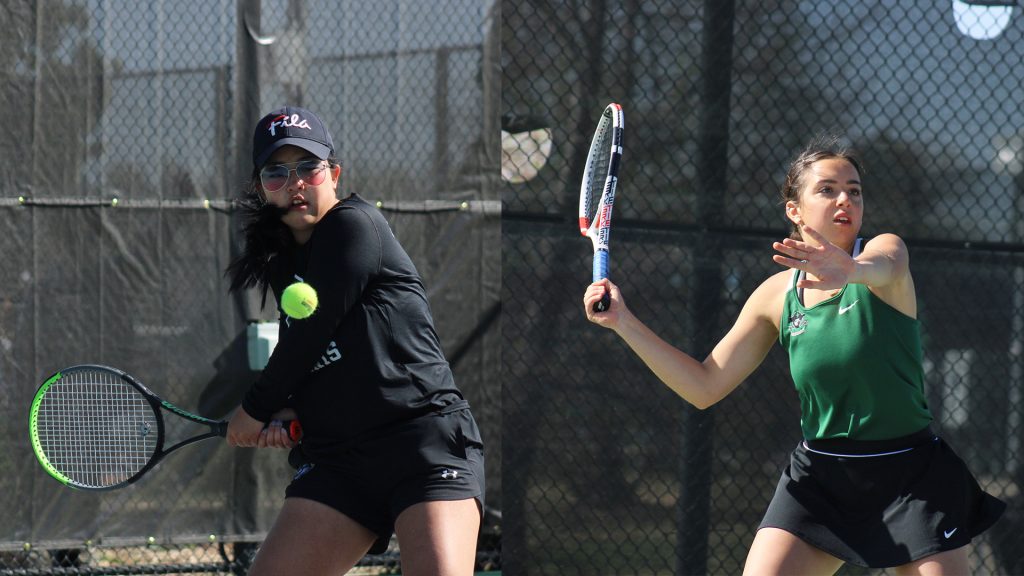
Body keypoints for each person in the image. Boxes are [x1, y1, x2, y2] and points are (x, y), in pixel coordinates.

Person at [583, 136, 1005, 575]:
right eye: (827, 189)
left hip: (913, 477)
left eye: (854, 190)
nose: (845, 199)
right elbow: (704, 385)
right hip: (820, 480)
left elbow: (886, 265)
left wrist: (851, 271)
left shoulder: (885, 254)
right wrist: (624, 322)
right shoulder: (774, 296)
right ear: (794, 210)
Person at [224, 106, 485, 576]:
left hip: (422, 448)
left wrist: (255, 408)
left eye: (308, 166)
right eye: (277, 172)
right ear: (262, 188)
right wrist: (294, 412)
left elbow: (310, 336)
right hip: (340, 463)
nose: (296, 181)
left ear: (334, 174)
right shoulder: (284, 268)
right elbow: (331, 362)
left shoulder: (354, 226)